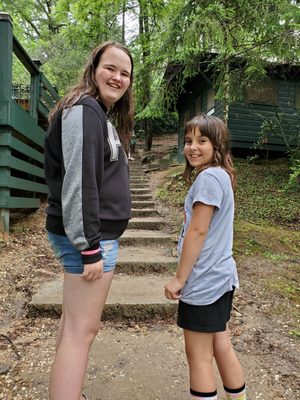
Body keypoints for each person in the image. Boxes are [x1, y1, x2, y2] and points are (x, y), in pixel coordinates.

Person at [44, 40, 134, 400]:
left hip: (91, 235)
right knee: (82, 332)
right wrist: (90, 247)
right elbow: (79, 181)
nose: (117, 77)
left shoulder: (97, 113)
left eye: (125, 73)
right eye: (110, 68)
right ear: (94, 68)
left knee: (72, 328)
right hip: (89, 239)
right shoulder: (84, 111)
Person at [164, 114, 246, 400]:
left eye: (202, 140)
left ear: (217, 145)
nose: (192, 147)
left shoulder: (209, 178)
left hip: (204, 281)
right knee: (221, 344)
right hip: (222, 278)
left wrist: (179, 279)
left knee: (198, 356)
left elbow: (197, 232)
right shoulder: (220, 175)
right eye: (188, 141)